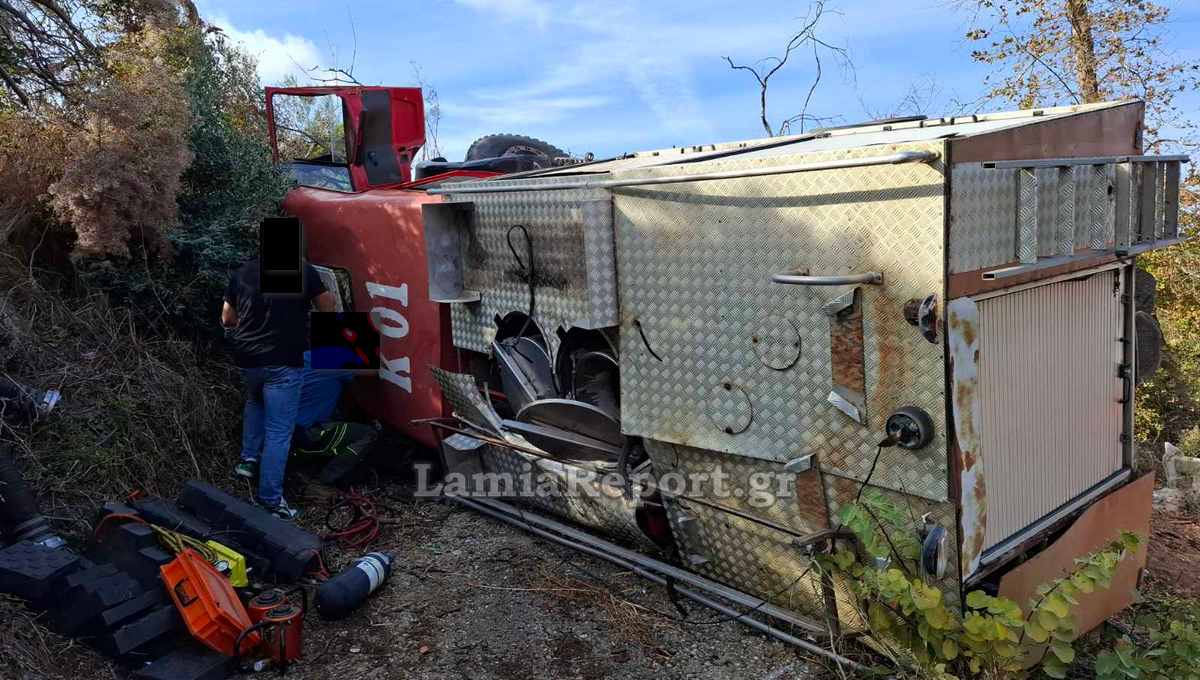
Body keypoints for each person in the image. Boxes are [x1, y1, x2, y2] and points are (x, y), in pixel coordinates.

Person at [221, 257, 335, 519]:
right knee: (279, 433)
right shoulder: (302, 269)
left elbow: (227, 318)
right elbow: (327, 306)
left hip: (249, 360)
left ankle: (248, 460)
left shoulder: (243, 271)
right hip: (284, 361)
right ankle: (271, 501)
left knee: (255, 400)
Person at [291, 351, 379, 499]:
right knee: (369, 434)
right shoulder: (333, 359)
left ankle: (304, 468)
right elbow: (375, 370)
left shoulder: (302, 355)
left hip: (283, 431)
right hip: (306, 434)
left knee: (337, 415)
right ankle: (320, 483)